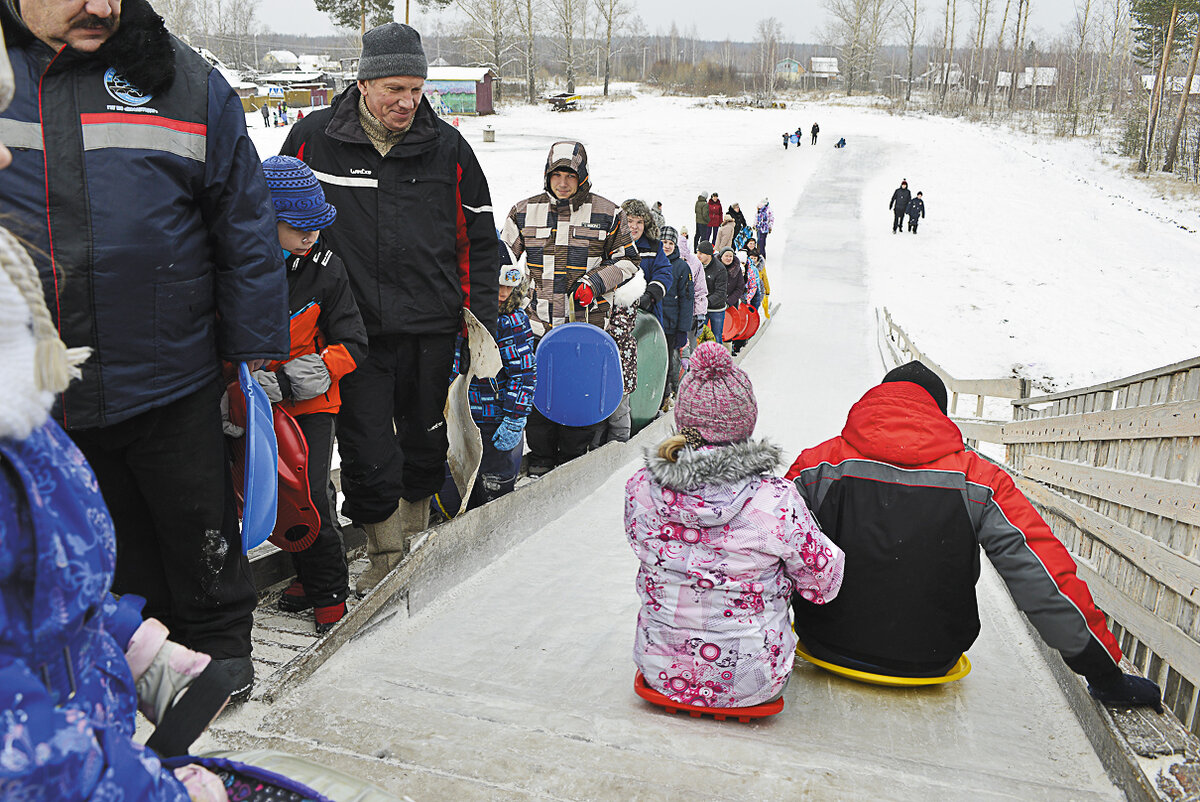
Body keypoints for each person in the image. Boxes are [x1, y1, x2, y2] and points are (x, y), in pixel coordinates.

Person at [0, 0, 290, 697]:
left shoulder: (186, 83)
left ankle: (222, 667)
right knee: (75, 549)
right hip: (30, 396)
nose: (104, 5)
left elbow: (245, 224)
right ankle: (102, 685)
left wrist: (248, 358)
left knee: (199, 532)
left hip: (170, 375)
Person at [0, 140, 232, 797]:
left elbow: (33, 579)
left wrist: (125, 640)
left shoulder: (11, 376)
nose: (4, 156)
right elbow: (23, 759)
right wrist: (154, 794)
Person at [785, 361, 1163, 711]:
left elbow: (758, 542)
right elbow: (1043, 576)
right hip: (930, 656)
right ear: (938, 415)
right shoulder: (980, 481)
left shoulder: (816, 466)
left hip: (824, 643)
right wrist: (1104, 674)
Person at [280, 22, 500, 595]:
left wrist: (478, 324)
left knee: (425, 444)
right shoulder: (312, 139)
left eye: (417, 90)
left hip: (430, 328)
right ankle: (383, 562)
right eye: (395, 89)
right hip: (353, 335)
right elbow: (276, 225)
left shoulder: (449, 148)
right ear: (364, 83)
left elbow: (478, 241)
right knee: (369, 449)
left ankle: (413, 545)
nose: (407, 102)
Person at [625, 343, 845, 707]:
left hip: (662, 672)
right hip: (752, 682)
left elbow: (642, 545)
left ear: (684, 420)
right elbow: (823, 584)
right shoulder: (776, 502)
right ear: (746, 422)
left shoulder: (642, 489)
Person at [251, 156, 368, 635]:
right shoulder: (237, 267)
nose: (310, 237)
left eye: (317, 227)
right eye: (299, 227)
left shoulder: (326, 270)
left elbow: (353, 344)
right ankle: (304, 571)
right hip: (253, 407)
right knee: (269, 494)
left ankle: (329, 593)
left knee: (311, 494)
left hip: (311, 405)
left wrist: (297, 378)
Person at [501, 140, 641, 475]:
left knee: (578, 400)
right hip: (538, 327)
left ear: (583, 176)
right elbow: (502, 254)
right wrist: (502, 292)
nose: (562, 182)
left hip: (586, 331)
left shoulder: (608, 213)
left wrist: (595, 282)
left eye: (570, 175)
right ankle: (540, 458)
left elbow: (629, 262)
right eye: (556, 174)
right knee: (538, 398)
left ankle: (575, 462)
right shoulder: (523, 210)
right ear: (547, 175)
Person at [447, 242, 537, 507]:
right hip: (461, 417)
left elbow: (523, 374)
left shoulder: (512, 321)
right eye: (498, 285)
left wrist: (514, 417)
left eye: (510, 286)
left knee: (495, 489)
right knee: (461, 488)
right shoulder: (459, 320)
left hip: (496, 422)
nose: (504, 293)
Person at [621, 198, 674, 323]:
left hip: (647, 312)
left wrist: (650, 296)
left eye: (639, 222)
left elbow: (664, 273)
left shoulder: (654, 247)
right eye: (630, 221)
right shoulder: (611, 245)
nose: (634, 226)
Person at [657, 225, 693, 408]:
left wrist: (683, 329)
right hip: (654, 322)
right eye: (663, 242)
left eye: (670, 243)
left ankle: (665, 395)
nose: (667, 246)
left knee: (668, 362)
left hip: (671, 324)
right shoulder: (653, 261)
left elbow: (687, 300)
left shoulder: (682, 267)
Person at [676, 228, 709, 353]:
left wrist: (699, 313)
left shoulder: (695, 263)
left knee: (690, 346)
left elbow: (700, 291)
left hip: (690, 313)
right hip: (672, 312)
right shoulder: (667, 262)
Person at [697, 241, 727, 345]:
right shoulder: (697, 266)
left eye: (701, 253)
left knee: (716, 336)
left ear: (708, 254)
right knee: (700, 336)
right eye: (697, 252)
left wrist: (706, 302)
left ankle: (718, 358)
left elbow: (720, 292)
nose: (698, 255)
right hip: (701, 308)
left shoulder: (720, 269)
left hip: (716, 308)